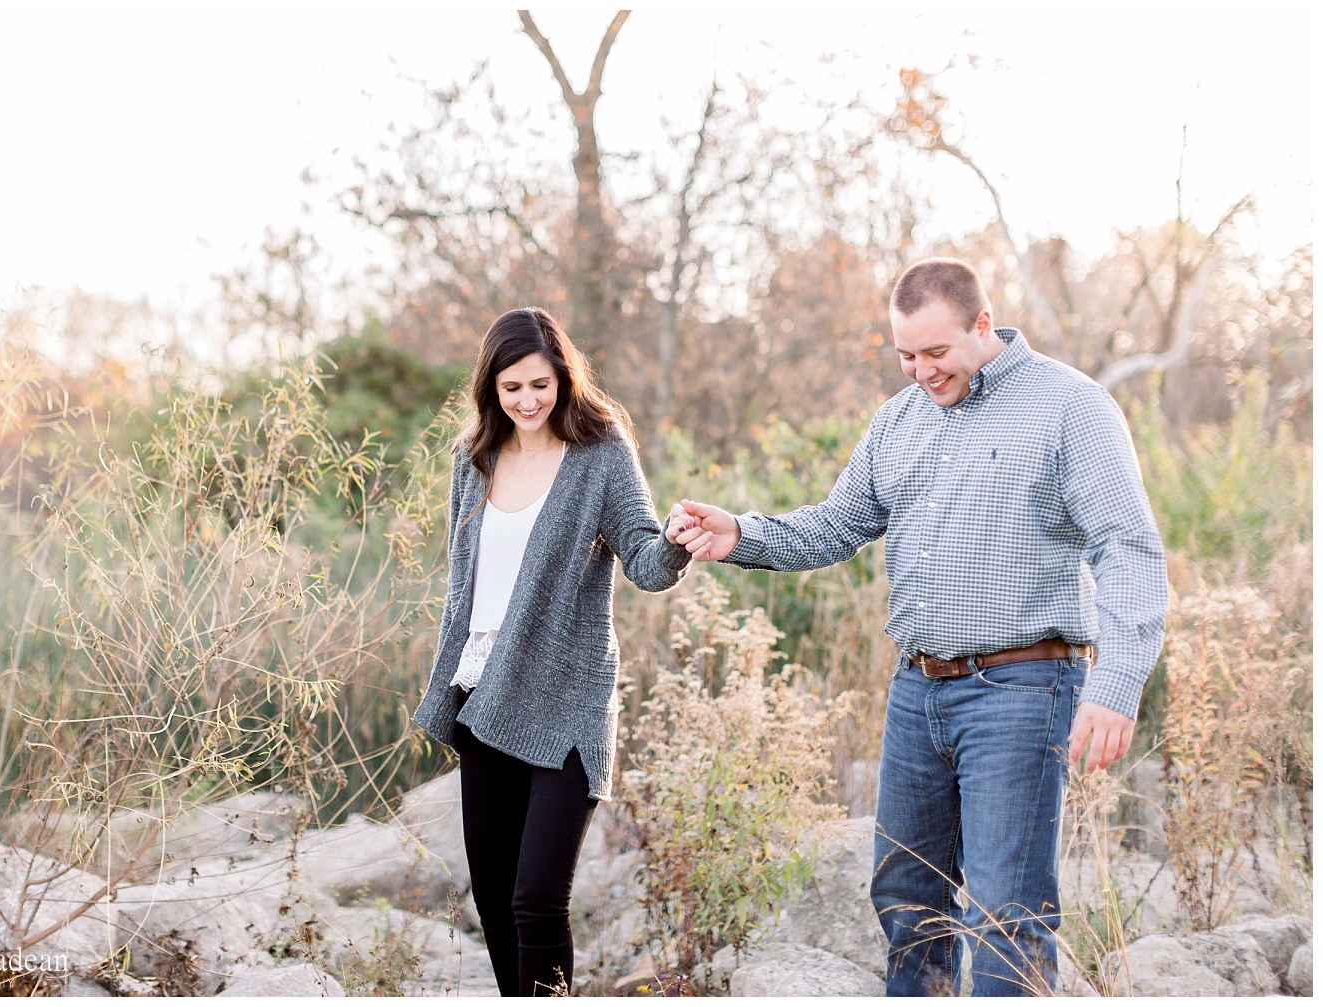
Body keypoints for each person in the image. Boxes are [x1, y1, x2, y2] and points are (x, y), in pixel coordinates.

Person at [666, 258, 1167, 996]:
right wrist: (739, 533)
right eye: (905, 354)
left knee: (1007, 911)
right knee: (907, 897)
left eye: (937, 352)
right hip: (917, 691)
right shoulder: (897, 421)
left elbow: (1128, 547)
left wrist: (1118, 682)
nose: (921, 371)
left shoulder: (1070, 407)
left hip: (1025, 688)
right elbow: (838, 525)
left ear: (983, 323)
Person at [413, 306, 692, 997]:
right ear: (491, 389)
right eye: (512, 388)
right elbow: (461, 583)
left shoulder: (600, 454)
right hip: (485, 696)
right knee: (495, 901)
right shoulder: (472, 458)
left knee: (537, 898)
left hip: (568, 702)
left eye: (540, 384)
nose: (528, 401)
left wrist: (680, 541)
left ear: (564, 378)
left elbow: (647, 562)